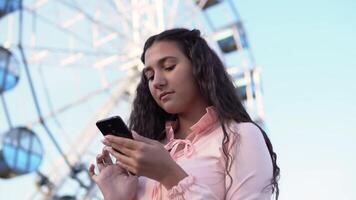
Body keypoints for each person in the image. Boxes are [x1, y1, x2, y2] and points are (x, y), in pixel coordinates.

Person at [89, 28, 280, 200]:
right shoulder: (148, 154)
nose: (157, 82)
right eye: (150, 76)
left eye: (169, 67)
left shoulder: (239, 136)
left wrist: (168, 174)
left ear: (200, 68)